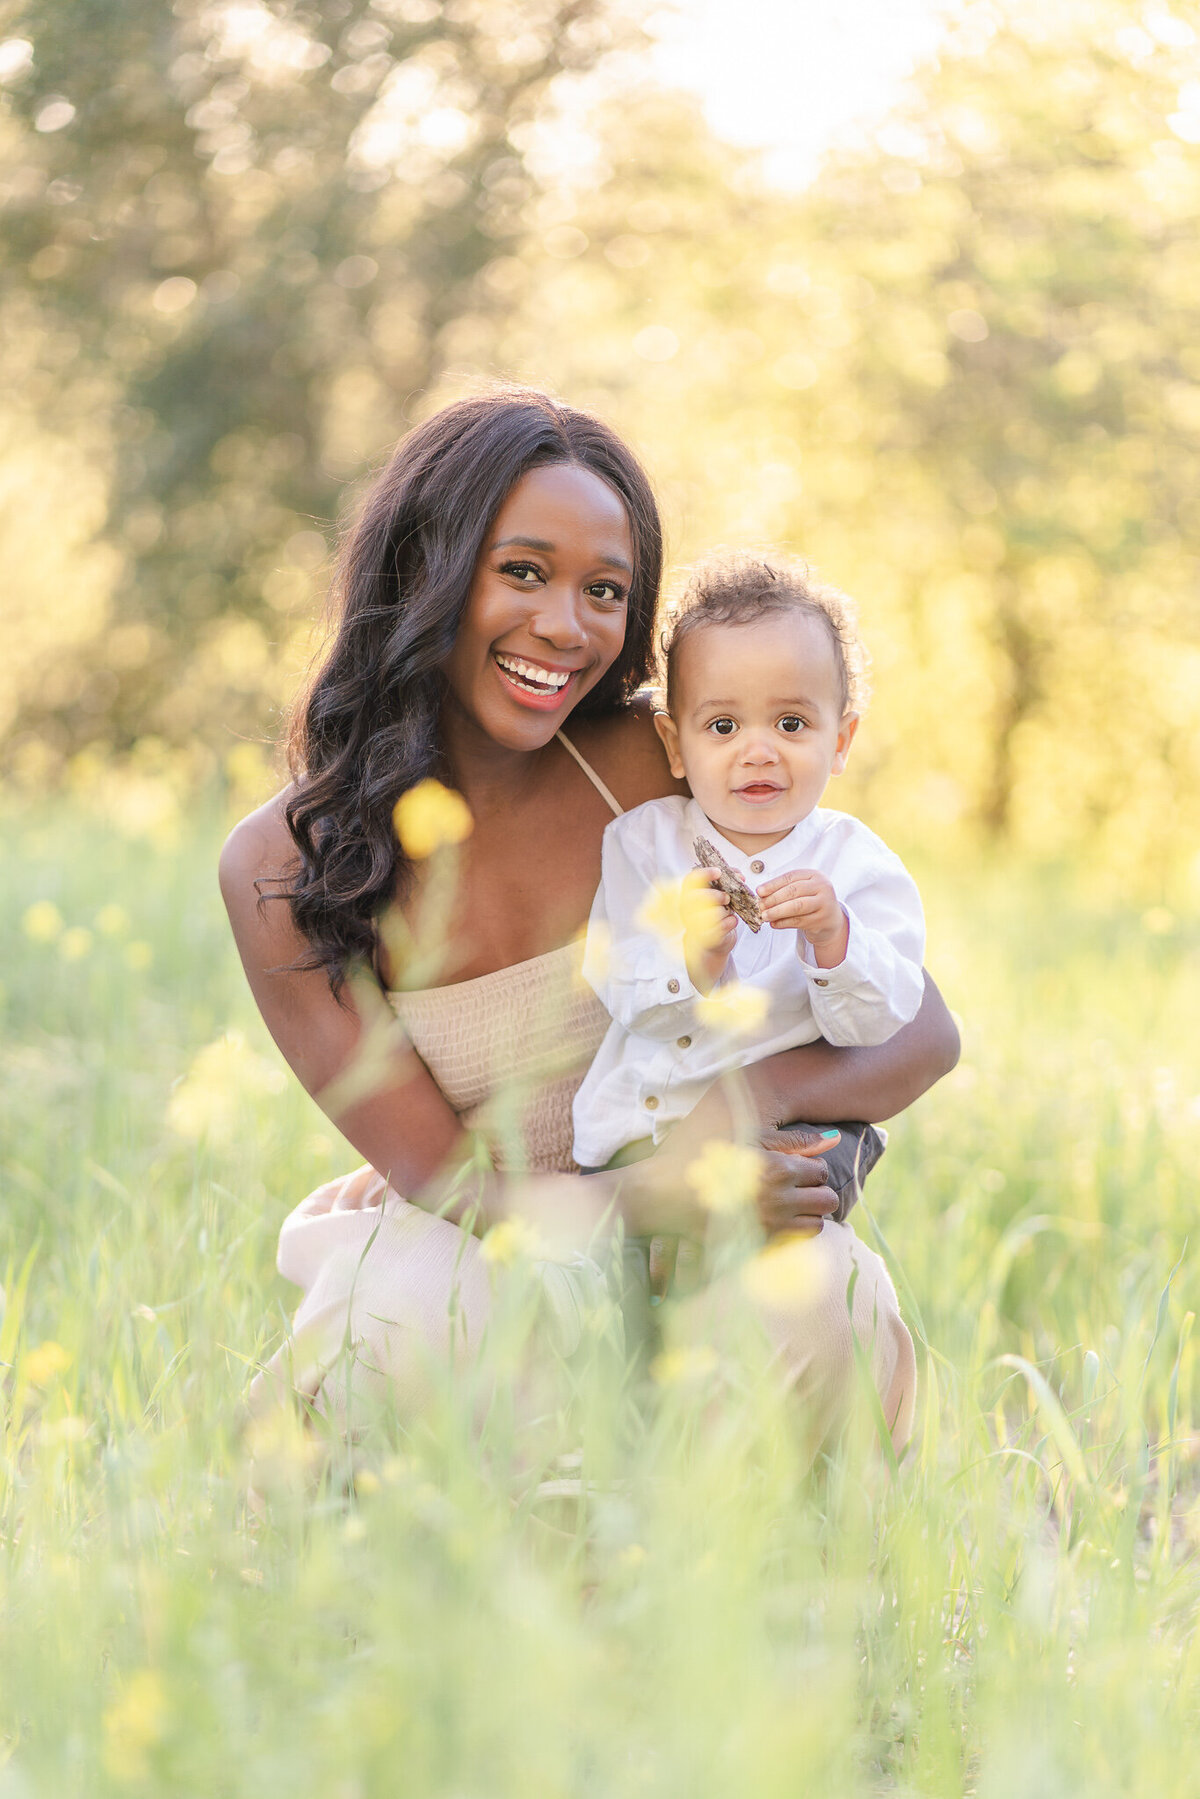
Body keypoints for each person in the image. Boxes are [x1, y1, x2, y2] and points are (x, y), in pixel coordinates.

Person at [220, 386, 958, 1456]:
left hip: (711, 1225)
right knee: (408, 1313)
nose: (565, 627)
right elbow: (447, 1183)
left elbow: (922, 1031)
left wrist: (734, 1114)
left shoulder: (651, 756)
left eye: (605, 590)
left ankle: (763, 1597)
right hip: (486, 1232)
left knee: (812, 1290)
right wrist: (643, 1197)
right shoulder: (286, 863)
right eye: (522, 571)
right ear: (426, 565)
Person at [571, 553, 925, 1226]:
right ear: (675, 744)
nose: (757, 751)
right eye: (724, 726)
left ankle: (753, 1249)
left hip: (787, 1128)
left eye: (791, 724)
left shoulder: (858, 864)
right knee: (617, 1265)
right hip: (639, 1134)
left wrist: (835, 938)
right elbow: (618, 986)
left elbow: (879, 1021)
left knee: (814, 1169)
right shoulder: (642, 843)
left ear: (841, 738)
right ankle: (661, 1250)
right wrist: (691, 960)